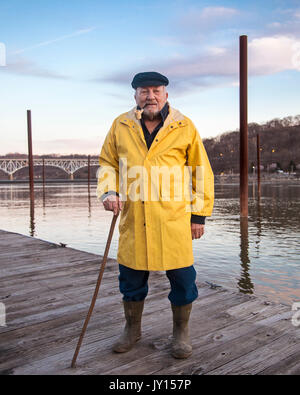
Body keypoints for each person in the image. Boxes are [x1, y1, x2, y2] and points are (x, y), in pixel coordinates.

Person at [97, 71, 214, 359]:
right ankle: (132, 330)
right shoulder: (120, 125)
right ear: (135, 95)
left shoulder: (184, 126)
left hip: (173, 219)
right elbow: (107, 163)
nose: (150, 96)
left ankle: (181, 334)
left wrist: (198, 215)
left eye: (156, 90)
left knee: (184, 281)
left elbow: (202, 170)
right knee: (131, 281)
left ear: (166, 94)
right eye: (144, 91)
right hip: (134, 218)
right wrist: (108, 191)